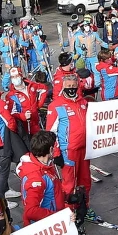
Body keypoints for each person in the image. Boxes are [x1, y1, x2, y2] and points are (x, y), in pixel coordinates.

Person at [45, 72, 94, 219]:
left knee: (85, 180)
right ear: (63, 87)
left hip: (85, 149)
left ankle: (84, 207)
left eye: (74, 85)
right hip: (68, 151)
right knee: (69, 184)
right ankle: (69, 212)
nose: (71, 88)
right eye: (68, 86)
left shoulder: (83, 102)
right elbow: (50, 132)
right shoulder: (56, 105)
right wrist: (56, 153)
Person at [16, 130, 65, 226]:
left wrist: (67, 197)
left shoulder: (43, 165)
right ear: (51, 149)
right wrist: (58, 217)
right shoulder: (36, 178)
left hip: (51, 221)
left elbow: (51, 191)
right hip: (47, 226)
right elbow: (31, 211)